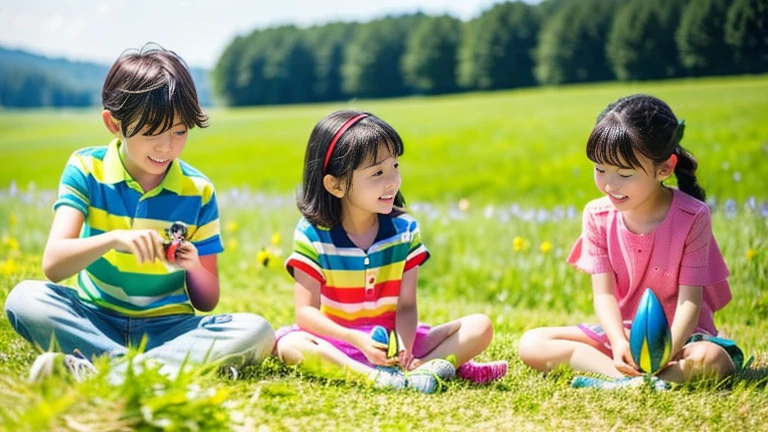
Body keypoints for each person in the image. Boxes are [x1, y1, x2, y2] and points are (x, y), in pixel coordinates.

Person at [3, 43, 275, 382]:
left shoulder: (199, 191)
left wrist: (193, 268)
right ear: (114, 124)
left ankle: (103, 371)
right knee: (25, 298)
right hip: (95, 318)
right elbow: (54, 266)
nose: (167, 147)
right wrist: (113, 239)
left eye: (179, 131)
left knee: (258, 330)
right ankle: (152, 372)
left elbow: (208, 301)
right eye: (151, 133)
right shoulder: (86, 169)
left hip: (170, 328)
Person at [517, 94, 744, 390]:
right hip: (621, 334)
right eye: (600, 169)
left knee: (712, 359)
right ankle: (625, 379)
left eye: (624, 173)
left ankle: (651, 377)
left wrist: (668, 349)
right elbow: (604, 295)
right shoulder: (596, 215)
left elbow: (690, 301)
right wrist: (618, 341)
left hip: (680, 338)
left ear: (664, 169)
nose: (610, 184)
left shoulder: (692, 216)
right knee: (532, 343)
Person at [274, 110, 507, 393]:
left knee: (479, 326)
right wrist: (356, 339)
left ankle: (416, 368)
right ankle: (378, 377)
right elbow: (306, 314)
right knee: (289, 345)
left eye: (394, 166)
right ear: (335, 185)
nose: (392, 181)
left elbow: (406, 305)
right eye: (377, 173)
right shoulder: (312, 234)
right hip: (339, 343)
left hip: (396, 341)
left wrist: (405, 349)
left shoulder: (404, 229)